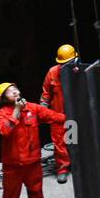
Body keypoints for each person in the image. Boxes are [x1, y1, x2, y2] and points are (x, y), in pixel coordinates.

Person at [0, 82, 65, 198]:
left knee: (36, 191)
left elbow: (52, 116)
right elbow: (5, 130)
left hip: (32, 162)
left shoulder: (32, 108)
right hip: (12, 165)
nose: (14, 92)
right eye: (9, 91)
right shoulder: (2, 113)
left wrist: (71, 118)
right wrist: (17, 112)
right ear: (3, 98)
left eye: (15, 89)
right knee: (10, 194)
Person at [39, 44, 75, 184]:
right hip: (57, 115)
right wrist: (43, 108)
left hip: (73, 115)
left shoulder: (78, 73)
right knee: (59, 143)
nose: (65, 66)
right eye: (62, 63)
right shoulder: (53, 72)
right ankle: (62, 169)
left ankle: (76, 165)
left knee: (73, 141)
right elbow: (46, 93)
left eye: (68, 63)